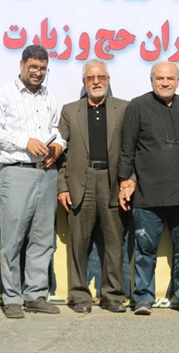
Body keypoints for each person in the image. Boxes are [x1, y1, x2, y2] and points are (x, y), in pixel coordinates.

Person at [0, 44, 65, 319]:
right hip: (17, 172)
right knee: (13, 240)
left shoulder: (50, 98)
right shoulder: (2, 96)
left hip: (46, 173)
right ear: (21, 65)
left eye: (43, 68)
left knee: (43, 239)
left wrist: (59, 146)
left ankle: (36, 296)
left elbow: (57, 131)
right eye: (33, 67)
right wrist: (24, 141)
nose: (38, 72)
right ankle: (12, 298)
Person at [118, 61, 179, 316]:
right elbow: (127, 148)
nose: (165, 83)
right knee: (145, 250)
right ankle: (143, 297)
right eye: (160, 78)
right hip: (148, 194)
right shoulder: (138, 106)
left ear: (178, 80)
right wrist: (125, 181)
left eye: (170, 78)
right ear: (151, 80)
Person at [57, 59, 129, 314]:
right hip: (80, 183)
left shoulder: (124, 108)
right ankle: (80, 297)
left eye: (101, 77)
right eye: (90, 78)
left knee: (114, 243)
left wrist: (128, 181)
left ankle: (113, 296)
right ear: (84, 81)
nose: (96, 82)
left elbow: (131, 149)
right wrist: (62, 187)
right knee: (78, 243)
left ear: (108, 80)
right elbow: (61, 152)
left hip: (113, 183)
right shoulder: (70, 111)